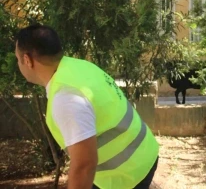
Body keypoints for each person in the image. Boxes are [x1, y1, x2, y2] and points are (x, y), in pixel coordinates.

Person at [15, 24, 159, 189]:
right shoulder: (79, 67)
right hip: (143, 154)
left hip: (125, 176)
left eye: (18, 59)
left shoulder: (66, 97)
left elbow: (84, 165)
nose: (19, 64)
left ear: (27, 60)